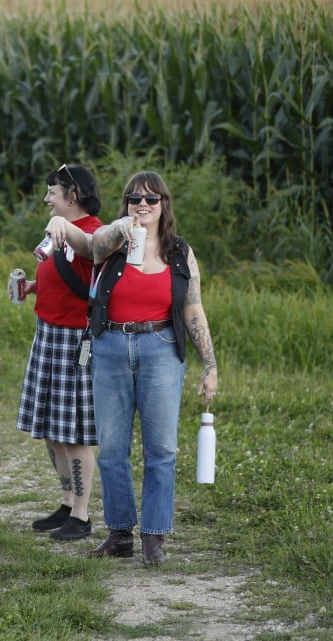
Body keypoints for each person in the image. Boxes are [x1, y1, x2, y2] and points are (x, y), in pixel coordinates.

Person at [86, 170, 218, 566]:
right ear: (125, 204)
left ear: (164, 204)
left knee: (161, 448)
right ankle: (120, 533)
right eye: (134, 198)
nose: (142, 204)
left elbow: (193, 308)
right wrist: (122, 229)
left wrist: (210, 364)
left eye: (151, 199)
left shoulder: (179, 251)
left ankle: (154, 536)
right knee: (111, 448)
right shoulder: (113, 243)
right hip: (111, 346)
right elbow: (93, 244)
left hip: (161, 348)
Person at [15, 163, 102, 541]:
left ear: (73, 195)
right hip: (47, 333)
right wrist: (35, 286)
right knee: (52, 431)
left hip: (74, 339)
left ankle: (82, 516)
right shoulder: (59, 231)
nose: (46, 198)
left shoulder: (94, 232)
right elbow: (71, 275)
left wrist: (62, 227)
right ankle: (68, 503)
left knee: (75, 434)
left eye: (52, 192)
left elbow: (88, 253)